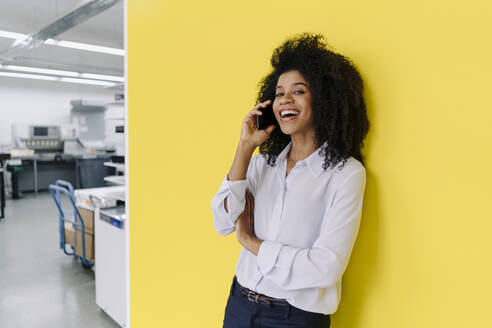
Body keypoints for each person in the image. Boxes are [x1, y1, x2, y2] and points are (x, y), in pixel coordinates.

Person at [211, 32, 369, 328]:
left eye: (298, 91)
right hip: (239, 305)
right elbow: (221, 221)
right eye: (280, 93)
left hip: (295, 318)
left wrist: (250, 241)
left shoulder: (345, 175)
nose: (285, 99)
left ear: (323, 99)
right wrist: (245, 148)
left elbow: (326, 267)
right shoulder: (260, 165)